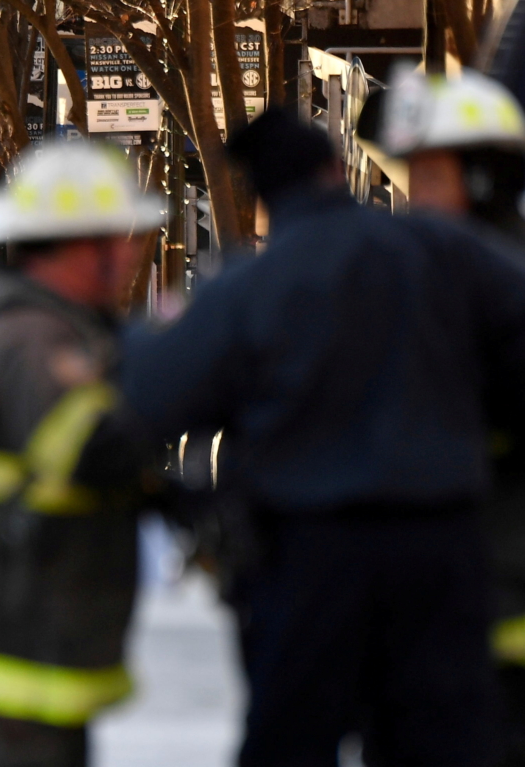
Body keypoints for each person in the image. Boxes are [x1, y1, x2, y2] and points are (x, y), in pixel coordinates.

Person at [119, 106, 525, 766]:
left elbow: (152, 399)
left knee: (292, 739)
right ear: (336, 169)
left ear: (262, 190)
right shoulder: (440, 250)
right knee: (442, 738)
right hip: (442, 542)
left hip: (311, 553)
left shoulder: (248, 285)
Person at [0, 141, 162, 767]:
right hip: (23, 629)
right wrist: (173, 372)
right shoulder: (38, 341)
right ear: (88, 245)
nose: (134, 251)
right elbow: (93, 449)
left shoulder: (13, 322)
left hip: (21, 625)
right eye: (124, 237)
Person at [379, 67, 525, 766]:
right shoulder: (404, 274)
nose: (418, 197)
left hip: (497, 598)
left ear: (488, 175)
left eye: (434, 177)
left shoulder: (495, 283)